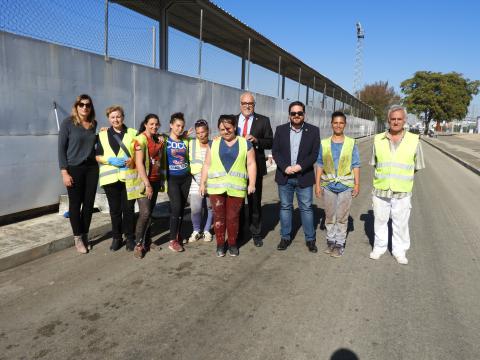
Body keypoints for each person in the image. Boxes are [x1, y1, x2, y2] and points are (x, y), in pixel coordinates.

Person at [369, 105, 425, 265]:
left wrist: (402, 179)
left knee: (400, 223)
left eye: (399, 119)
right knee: (379, 220)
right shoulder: (378, 139)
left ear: (404, 120)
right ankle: (379, 248)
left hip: (402, 191)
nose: (395, 122)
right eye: (393, 119)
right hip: (381, 189)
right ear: (388, 120)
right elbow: (375, 163)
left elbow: (416, 166)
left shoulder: (414, 140)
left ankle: (399, 251)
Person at [200, 115, 256, 257]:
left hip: (236, 188)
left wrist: (252, 183)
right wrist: (202, 183)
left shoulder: (245, 144)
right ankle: (220, 244)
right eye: (221, 129)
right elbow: (206, 164)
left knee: (233, 217)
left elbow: (251, 164)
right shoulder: (213, 144)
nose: (225, 131)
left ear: (234, 127)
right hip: (216, 188)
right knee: (218, 217)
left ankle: (232, 243)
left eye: (228, 128)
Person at [272, 101, 320, 253]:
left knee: (306, 208)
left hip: (303, 176)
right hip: (284, 176)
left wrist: (299, 167)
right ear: (289, 115)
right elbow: (276, 151)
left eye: (299, 113)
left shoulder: (313, 131)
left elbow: (314, 154)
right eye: (293, 113)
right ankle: (285, 237)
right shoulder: (280, 130)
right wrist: (285, 167)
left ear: (304, 114)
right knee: (285, 207)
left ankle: (310, 240)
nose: (296, 116)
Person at [315, 111, 360, 258]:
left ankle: (339, 243)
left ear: (345, 125)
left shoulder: (351, 143)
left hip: (345, 186)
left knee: (341, 216)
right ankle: (331, 240)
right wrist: (317, 184)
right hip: (328, 185)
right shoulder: (324, 143)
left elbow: (356, 164)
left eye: (341, 123)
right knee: (329, 215)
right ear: (331, 124)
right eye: (336, 122)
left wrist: (357, 184)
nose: (338, 125)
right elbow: (320, 164)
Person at [58, 94, 99, 254]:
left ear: (91, 107)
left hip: (91, 169)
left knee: (89, 205)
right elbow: (61, 149)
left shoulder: (93, 124)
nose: (84, 107)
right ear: (76, 106)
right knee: (75, 205)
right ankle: (77, 237)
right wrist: (64, 172)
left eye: (87, 105)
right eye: (81, 104)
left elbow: (91, 142)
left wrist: (100, 134)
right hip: (74, 169)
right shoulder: (68, 123)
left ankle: (85, 234)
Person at [95, 105, 137, 251]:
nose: (115, 119)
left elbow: (140, 152)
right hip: (110, 179)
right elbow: (97, 156)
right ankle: (117, 238)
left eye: (118, 116)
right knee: (114, 210)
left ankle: (130, 238)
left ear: (123, 117)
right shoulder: (102, 135)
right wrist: (110, 160)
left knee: (129, 209)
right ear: (108, 119)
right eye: (112, 117)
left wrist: (133, 160)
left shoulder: (133, 133)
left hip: (128, 177)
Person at [236, 92, 273, 247]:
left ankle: (256, 233)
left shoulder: (263, 121)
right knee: (237, 202)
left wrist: (257, 140)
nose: (247, 106)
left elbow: (270, 141)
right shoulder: (232, 120)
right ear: (240, 104)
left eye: (250, 103)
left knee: (254, 202)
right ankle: (238, 232)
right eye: (244, 103)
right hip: (236, 168)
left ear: (254, 105)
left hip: (255, 167)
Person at [130, 114, 165, 259]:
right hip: (144, 182)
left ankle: (148, 241)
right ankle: (138, 245)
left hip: (156, 180)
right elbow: (139, 163)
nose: (154, 126)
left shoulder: (157, 139)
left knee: (149, 212)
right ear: (145, 124)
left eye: (156, 124)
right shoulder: (140, 139)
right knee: (144, 213)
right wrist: (147, 184)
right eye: (151, 124)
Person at [164, 112, 192, 253]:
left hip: (185, 177)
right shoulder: (164, 141)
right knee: (176, 207)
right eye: (177, 125)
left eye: (182, 126)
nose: (180, 128)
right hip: (172, 178)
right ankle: (172, 240)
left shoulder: (186, 140)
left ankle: (177, 234)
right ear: (171, 125)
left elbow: (202, 143)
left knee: (181, 208)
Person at [187, 119, 214, 243]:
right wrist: (183, 135)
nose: (200, 135)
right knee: (195, 208)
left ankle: (207, 230)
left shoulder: (214, 144)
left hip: (211, 181)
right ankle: (196, 230)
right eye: (198, 133)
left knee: (210, 207)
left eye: (203, 132)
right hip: (196, 181)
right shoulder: (191, 143)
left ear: (208, 131)